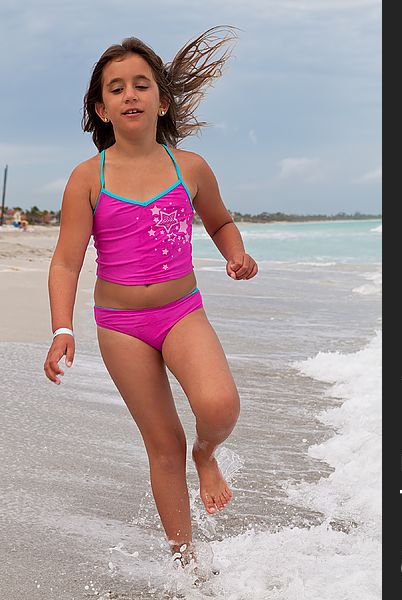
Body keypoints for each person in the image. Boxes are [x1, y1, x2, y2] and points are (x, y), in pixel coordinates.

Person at [43, 26, 258, 570]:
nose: (130, 94)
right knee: (162, 443)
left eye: (141, 84)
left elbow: (220, 221)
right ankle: (186, 564)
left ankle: (206, 455)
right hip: (120, 326)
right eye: (116, 88)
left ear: (163, 100)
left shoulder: (189, 168)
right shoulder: (88, 177)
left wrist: (236, 252)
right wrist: (62, 328)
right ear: (101, 108)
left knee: (219, 406)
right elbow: (67, 261)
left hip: (182, 311)